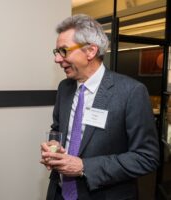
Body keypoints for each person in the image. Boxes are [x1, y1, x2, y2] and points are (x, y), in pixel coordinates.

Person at [40, 14, 160, 200]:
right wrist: (55, 145)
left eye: (63, 51)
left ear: (90, 51)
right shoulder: (65, 88)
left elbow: (147, 157)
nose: (57, 59)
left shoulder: (131, 92)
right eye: (56, 51)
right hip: (59, 193)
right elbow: (57, 128)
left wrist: (84, 167)